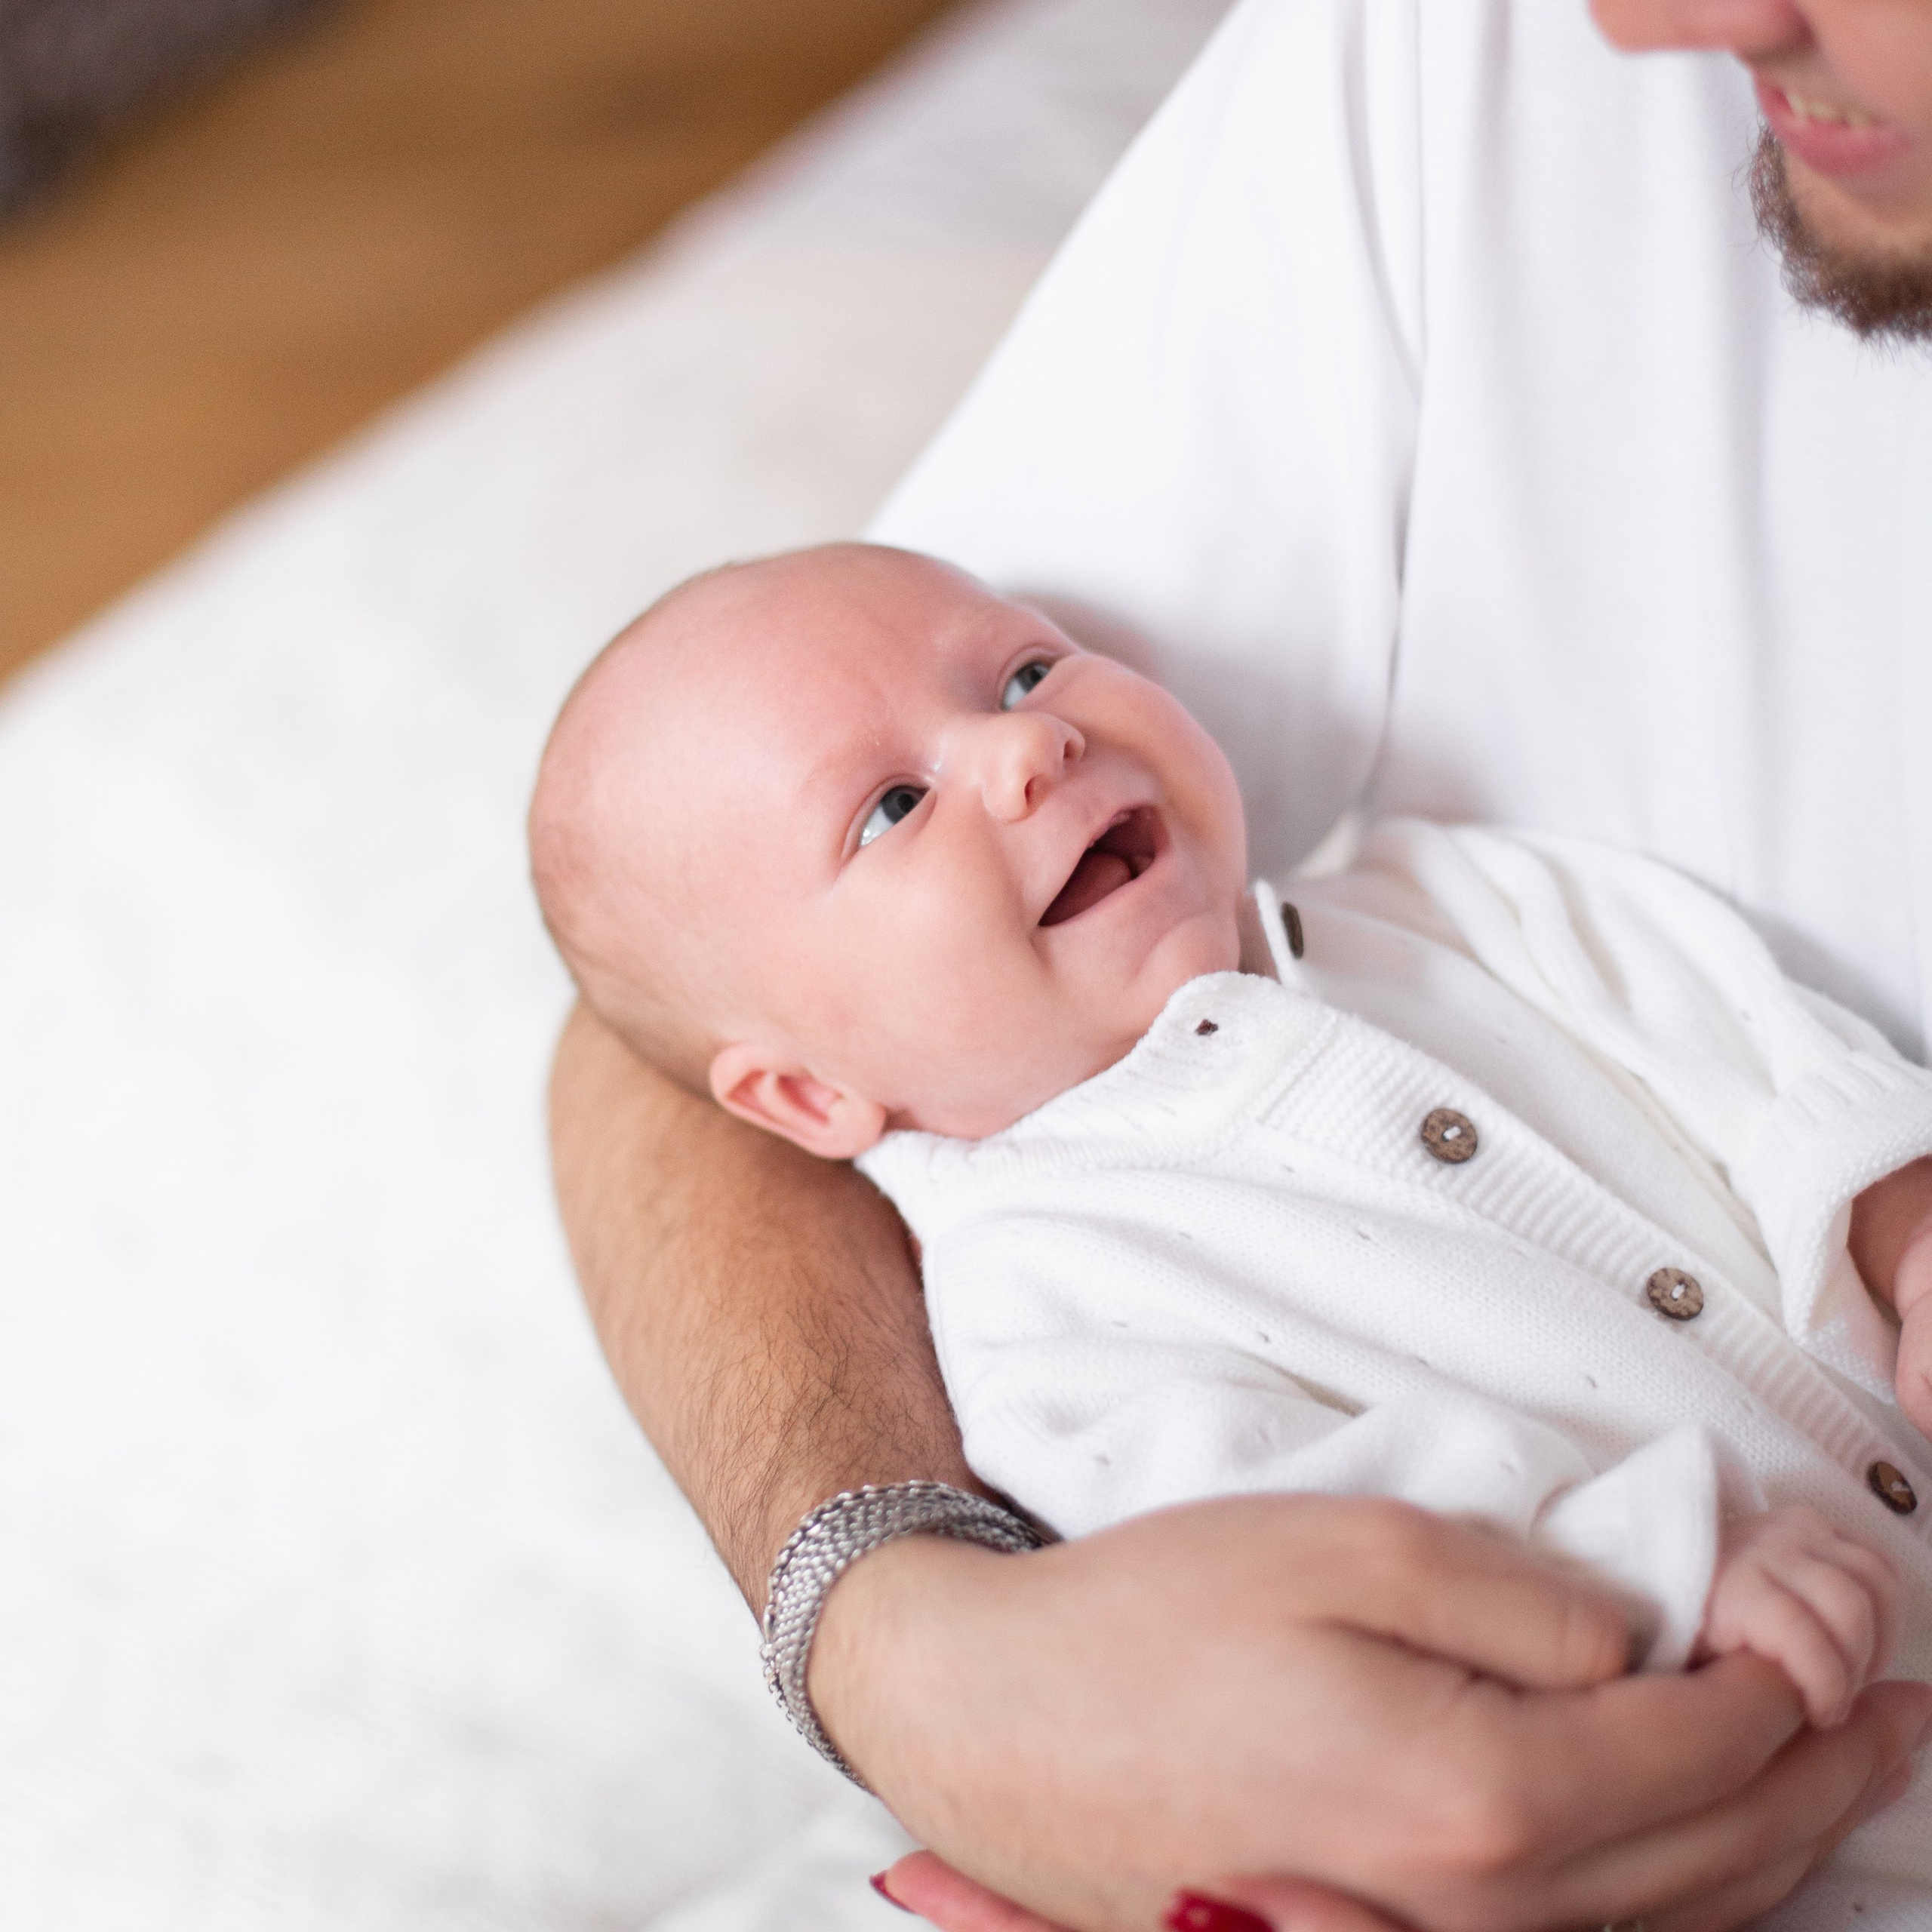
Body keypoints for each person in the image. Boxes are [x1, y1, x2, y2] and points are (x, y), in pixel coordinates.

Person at [546, 3, 1932, 1928]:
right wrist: (1656, 1565)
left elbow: (1747, 1049)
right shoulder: (1035, 1304)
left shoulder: (1454, 904)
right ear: (807, 1096)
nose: (1023, 744)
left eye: (1026, 670)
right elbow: (1295, 1555)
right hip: (1741, 1793)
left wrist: (1893, 1216)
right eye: (887, 811)